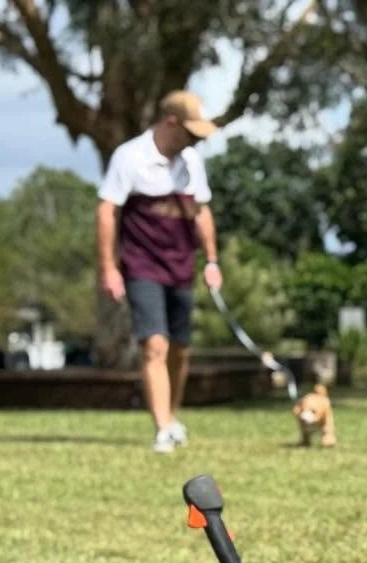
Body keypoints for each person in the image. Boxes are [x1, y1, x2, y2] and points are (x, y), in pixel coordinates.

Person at [96, 90, 223, 453]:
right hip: (142, 265)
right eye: (192, 131)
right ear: (172, 123)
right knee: (155, 344)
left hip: (181, 264)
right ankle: (162, 426)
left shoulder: (191, 163)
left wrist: (211, 261)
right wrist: (109, 267)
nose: (196, 139)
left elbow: (202, 212)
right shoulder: (130, 157)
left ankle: (171, 416)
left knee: (180, 350)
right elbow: (106, 212)